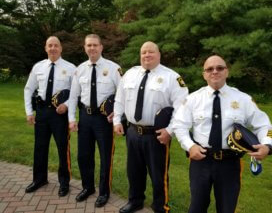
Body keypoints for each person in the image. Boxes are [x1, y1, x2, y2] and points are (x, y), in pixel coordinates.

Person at [173, 55, 272, 213]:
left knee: (227, 208)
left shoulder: (243, 99)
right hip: (201, 161)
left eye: (220, 68)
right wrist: (190, 146)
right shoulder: (193, 99)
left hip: (230, 163)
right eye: (210, 69)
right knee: (196, 207)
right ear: (204, 74)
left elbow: (263, 124)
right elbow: (179, 125)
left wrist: (267, 145)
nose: (215, 71)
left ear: (227, 72)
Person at [113, 41, 188, 213]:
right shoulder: (130, 74)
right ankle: (135, 201)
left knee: (158, 175)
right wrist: (117, 120)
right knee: (134, 171)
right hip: (132, 132)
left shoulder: (172, 78)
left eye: (151, 52)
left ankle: (161, 206)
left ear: (159, 55)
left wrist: (170, 131)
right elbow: (119, 99)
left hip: (157, 136)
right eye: (144, 52)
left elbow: (182, 108)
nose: (147, 55)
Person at [68, 34, 122, 207]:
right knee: (84, 155)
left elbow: (123, 94)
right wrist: (71, 118)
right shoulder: (79, 69)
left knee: (105, 156)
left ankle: (104, 192)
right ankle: (88, 187)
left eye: (95, 45)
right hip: (84, 116)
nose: (92, 48)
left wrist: (118, 115)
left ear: (101, 47)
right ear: (85, 48)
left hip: (103, 119)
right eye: (88, 45)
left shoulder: (113, 69)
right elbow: (73, 95)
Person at [24, 36, 76, 197]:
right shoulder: (38, 67)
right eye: (50, 45)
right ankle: (40, 179)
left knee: (62, 148)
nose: (53, 48)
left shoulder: (71, 68)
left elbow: (76, 93)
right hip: (42, 113)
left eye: (56, 45)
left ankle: (64, 182)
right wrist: (29, 111)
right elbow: (28, 89)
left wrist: (66, 105)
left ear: (61, 48)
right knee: (39, 147)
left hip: (59, 114)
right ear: (46, 48)